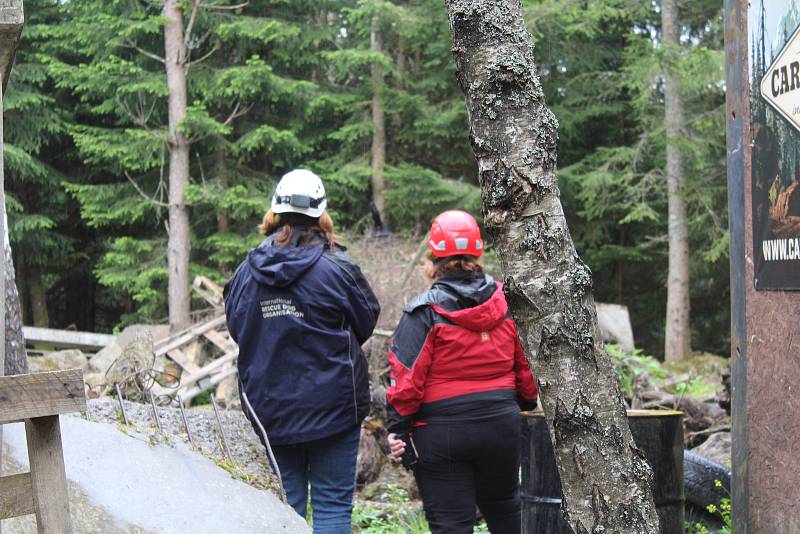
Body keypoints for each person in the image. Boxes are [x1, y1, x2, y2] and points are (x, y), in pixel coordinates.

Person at [224, 169, 380, 534]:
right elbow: (366, 320)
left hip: (271, 411)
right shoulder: (338, 268)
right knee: (331, 507)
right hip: (335, 409)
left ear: (275, 212)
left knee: (286, 509)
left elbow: (238, 328)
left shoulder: (247, 273)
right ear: (321, 213)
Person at [386, 210, 538, 534]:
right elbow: (525, 367)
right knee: (506, 513)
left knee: (452, 527)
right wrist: (523, 402)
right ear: (478, 253)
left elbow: (406, 379)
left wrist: (397, 430)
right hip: (501, 426)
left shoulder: (424, 311)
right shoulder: (506, 302)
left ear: (432, 257)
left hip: (442, 434)